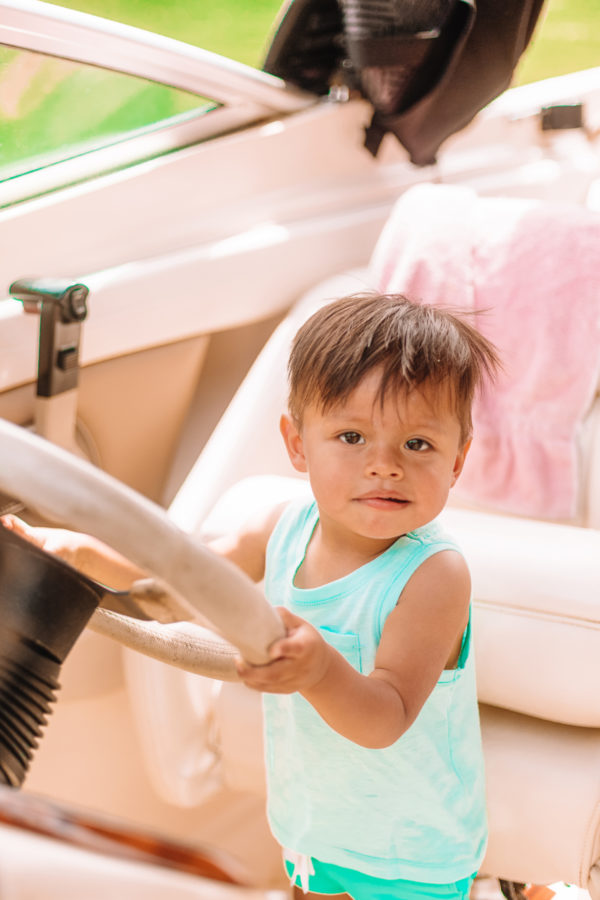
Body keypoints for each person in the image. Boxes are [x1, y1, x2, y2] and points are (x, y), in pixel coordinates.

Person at [3, 292, 500, 900]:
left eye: (417, 445)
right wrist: (81, 552)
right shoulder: (281, 528)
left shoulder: (433, 576)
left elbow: (385, 716)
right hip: (313, 829)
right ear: (297, 443)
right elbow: (182, 571)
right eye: (351, 436)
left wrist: (319, 669)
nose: (384, 465)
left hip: (410, 854)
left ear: (458, 460)